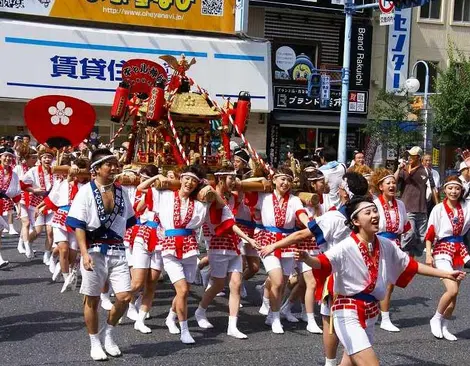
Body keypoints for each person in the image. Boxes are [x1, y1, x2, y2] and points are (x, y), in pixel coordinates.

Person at [297, 196, 465, 366]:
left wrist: (446, 273)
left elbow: (411, 266)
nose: (374, 215)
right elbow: (323, 262)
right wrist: (308, 259)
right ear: (355, 221)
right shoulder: (346, 246)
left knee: (349, 363)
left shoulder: (386, 245)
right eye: (368, 212)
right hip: (347, 310)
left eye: (375, 210)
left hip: (371, 313)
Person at [260, 172, 368, 366]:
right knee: (359, 321)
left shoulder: (335, 217)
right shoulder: (370, 212)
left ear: (344, 192)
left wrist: (274, 246)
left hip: (338, 275)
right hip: (365, 274)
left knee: (332, 322)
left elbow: (302, 233)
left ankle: (330, 362)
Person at [66, 148, 136, 361]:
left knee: (124, 297)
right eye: (109, 164)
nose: (115, 168)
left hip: (117, 249)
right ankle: (94, 342)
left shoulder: (121, 191)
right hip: (94, 250)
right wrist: (84, 253)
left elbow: (130, 219)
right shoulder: (85, 191)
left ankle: (108, 333)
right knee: (93, 299)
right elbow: (78, 224)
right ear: (96, 169)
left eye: (116, 164)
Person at [139, 165, 212, 344]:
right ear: (180, 178)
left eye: (194, 181)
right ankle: (184, 330)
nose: (189, 183)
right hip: (170, 247)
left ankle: (171, 317)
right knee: (183, 290)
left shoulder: (201, 204)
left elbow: (218, 201)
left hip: (189, 248)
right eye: (187, 178)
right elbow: (141, 188)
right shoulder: (165, 195)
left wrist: (209, 188)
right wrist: (159, 177)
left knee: (183, 293)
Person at [194, 166, 257, 339]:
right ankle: (200, 311)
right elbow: (229, 224)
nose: (234, 182)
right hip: (218, 245)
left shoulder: (233, 198)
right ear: (221, 179)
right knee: (218, 284)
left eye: (235, 178)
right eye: (231, 178)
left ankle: (232, 325)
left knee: (235, 284)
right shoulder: (210, 196)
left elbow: (245, 187)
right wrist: (249, 239)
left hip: (234, 245)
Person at [248, 167, 309, 334]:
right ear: (274, 180)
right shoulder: (263, 196)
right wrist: (261, 182)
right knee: (278, 280)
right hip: (267, 240)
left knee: (283, 284)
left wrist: (310, 223)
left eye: (289, 180)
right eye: (282, 179)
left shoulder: (295, 200)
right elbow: (242, 186)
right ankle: (275, 318)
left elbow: (301, 214)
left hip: (288, 242)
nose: (285, 183)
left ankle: (270, 313)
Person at [425, 176, 470, 341]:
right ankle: (436, 318)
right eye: (450, 188)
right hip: (442, 250)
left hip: (460, 251)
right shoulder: (438, 209)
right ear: (444, 190)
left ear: (461, 190)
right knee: (452, 289)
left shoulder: (466, 207)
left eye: (457, 188)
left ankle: (445, 326)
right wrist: (429, 254)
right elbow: (430, 233)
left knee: (454, 295)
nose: (454, 191)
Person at [371, 168, 410, 333]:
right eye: (388, 183)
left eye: (394, 182)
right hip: (378, 243)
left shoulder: (400, 204)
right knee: (378, 281)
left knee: (389, 283)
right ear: (381, 186)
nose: (392, 185)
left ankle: (382, 315)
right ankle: (382, 317)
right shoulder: (374, 203)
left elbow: (405, 225)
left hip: (395, 244)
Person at [42, 158, 90, 292]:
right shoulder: (63, 182)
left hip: (77, 219)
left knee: (73, 253)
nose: (79, 175)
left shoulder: (89, 186)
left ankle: (63, 267)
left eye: (82, 171)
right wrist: (69, 177)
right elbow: (54, 196)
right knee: (63, 248)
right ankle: (66, 277)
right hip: (61, 216)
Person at [395, 146, 438, 257]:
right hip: (407, 209)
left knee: (420, 240)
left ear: (418, 157)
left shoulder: (426, 171)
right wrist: (399, 169)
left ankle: (411, 263)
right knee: (410, 234)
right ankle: (404, 259)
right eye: (409, 155)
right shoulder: (404, 169)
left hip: (422, 210)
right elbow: (394, 183)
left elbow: (433, 189)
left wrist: (438, 206)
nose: (409, 158)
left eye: (412, 156)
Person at [21, 146, 57, 264]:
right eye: (45, 157)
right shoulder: (33, 171)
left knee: (50, 231)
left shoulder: (55, 171)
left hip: (51, 204)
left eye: (49, 158)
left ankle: (46, 255)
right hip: (37, 203)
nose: (47, 160)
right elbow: (22, 184)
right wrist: (34, 190)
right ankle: (28, 243)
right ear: (40, 159)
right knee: (37, 231)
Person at [14, 147, 38, 257]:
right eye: (33, 158)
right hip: (21, 198)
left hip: (33, 199)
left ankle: (21, 244)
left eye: (36, 158)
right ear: (27, 158)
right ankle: (28, 247)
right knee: (26, 223)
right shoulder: (18, 168)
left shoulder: (36, 169)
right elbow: (14, 183)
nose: (35, 160)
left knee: (34, 227)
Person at [0, 147, 22, 268]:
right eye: (5, 156)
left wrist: (19, 208)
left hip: (2, 204)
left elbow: (16, 193)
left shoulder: (13, 174)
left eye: (10, 157)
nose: (8, 159)